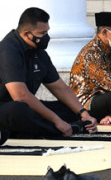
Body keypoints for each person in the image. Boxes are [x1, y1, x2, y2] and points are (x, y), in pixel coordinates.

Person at [0, 7, 98, 138]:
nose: (46, 37)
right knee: (18, 110)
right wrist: (56, 120)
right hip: (8, 108)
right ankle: (61, 130)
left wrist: (84, 113)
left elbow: (59, 87)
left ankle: (41, 129)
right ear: (26, 34)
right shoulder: (8, 51)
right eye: (42, 33)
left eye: (47, 32)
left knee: (68, 109)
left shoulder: (39, 52)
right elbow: (20, 96)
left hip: (25, 106)